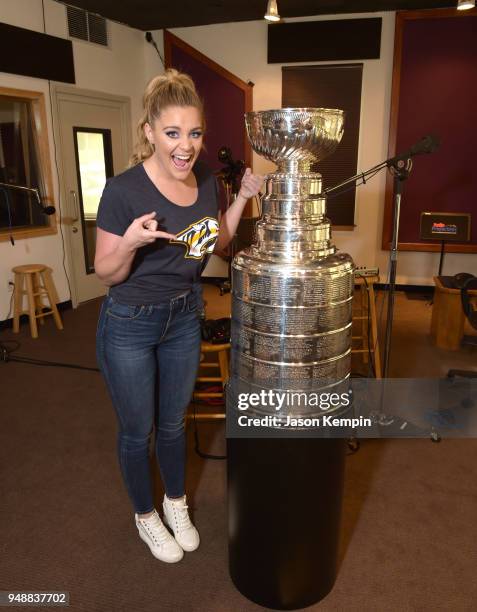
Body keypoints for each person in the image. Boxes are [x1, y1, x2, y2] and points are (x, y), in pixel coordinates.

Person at [94, 69, 263, 564]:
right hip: (130, 321)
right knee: (138, 430)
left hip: (185, 315)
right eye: (172, 133)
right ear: (149, 131)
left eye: (194, 133)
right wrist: (130, 241)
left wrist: (244, 199)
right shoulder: (123, 190)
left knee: (172, 424)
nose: (185, 146)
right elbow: (106, 272)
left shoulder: (208, 180)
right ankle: (145, 514)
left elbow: (219, 242)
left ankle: (175, 502)